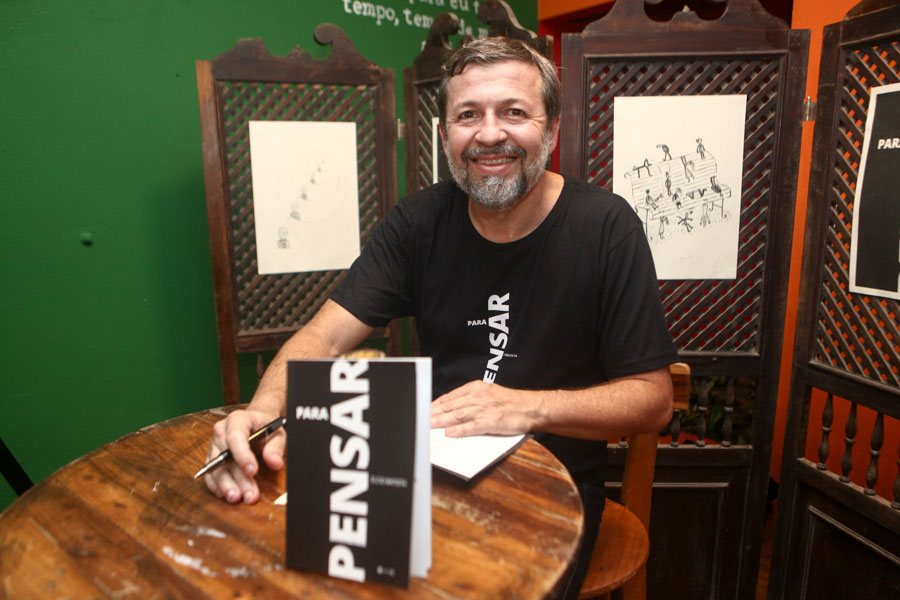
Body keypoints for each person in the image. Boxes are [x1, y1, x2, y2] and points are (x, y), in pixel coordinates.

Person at [204, 36, 678, 599]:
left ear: (551, 130)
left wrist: (524, 407)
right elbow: (324, 336)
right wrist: (261, 415)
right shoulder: (417, 223)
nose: (489, 134)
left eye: (514, 112)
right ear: (445, 134)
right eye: (468, 115)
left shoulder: (606, 227)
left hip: (553, 491)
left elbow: (653, 399)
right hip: (425, 468)